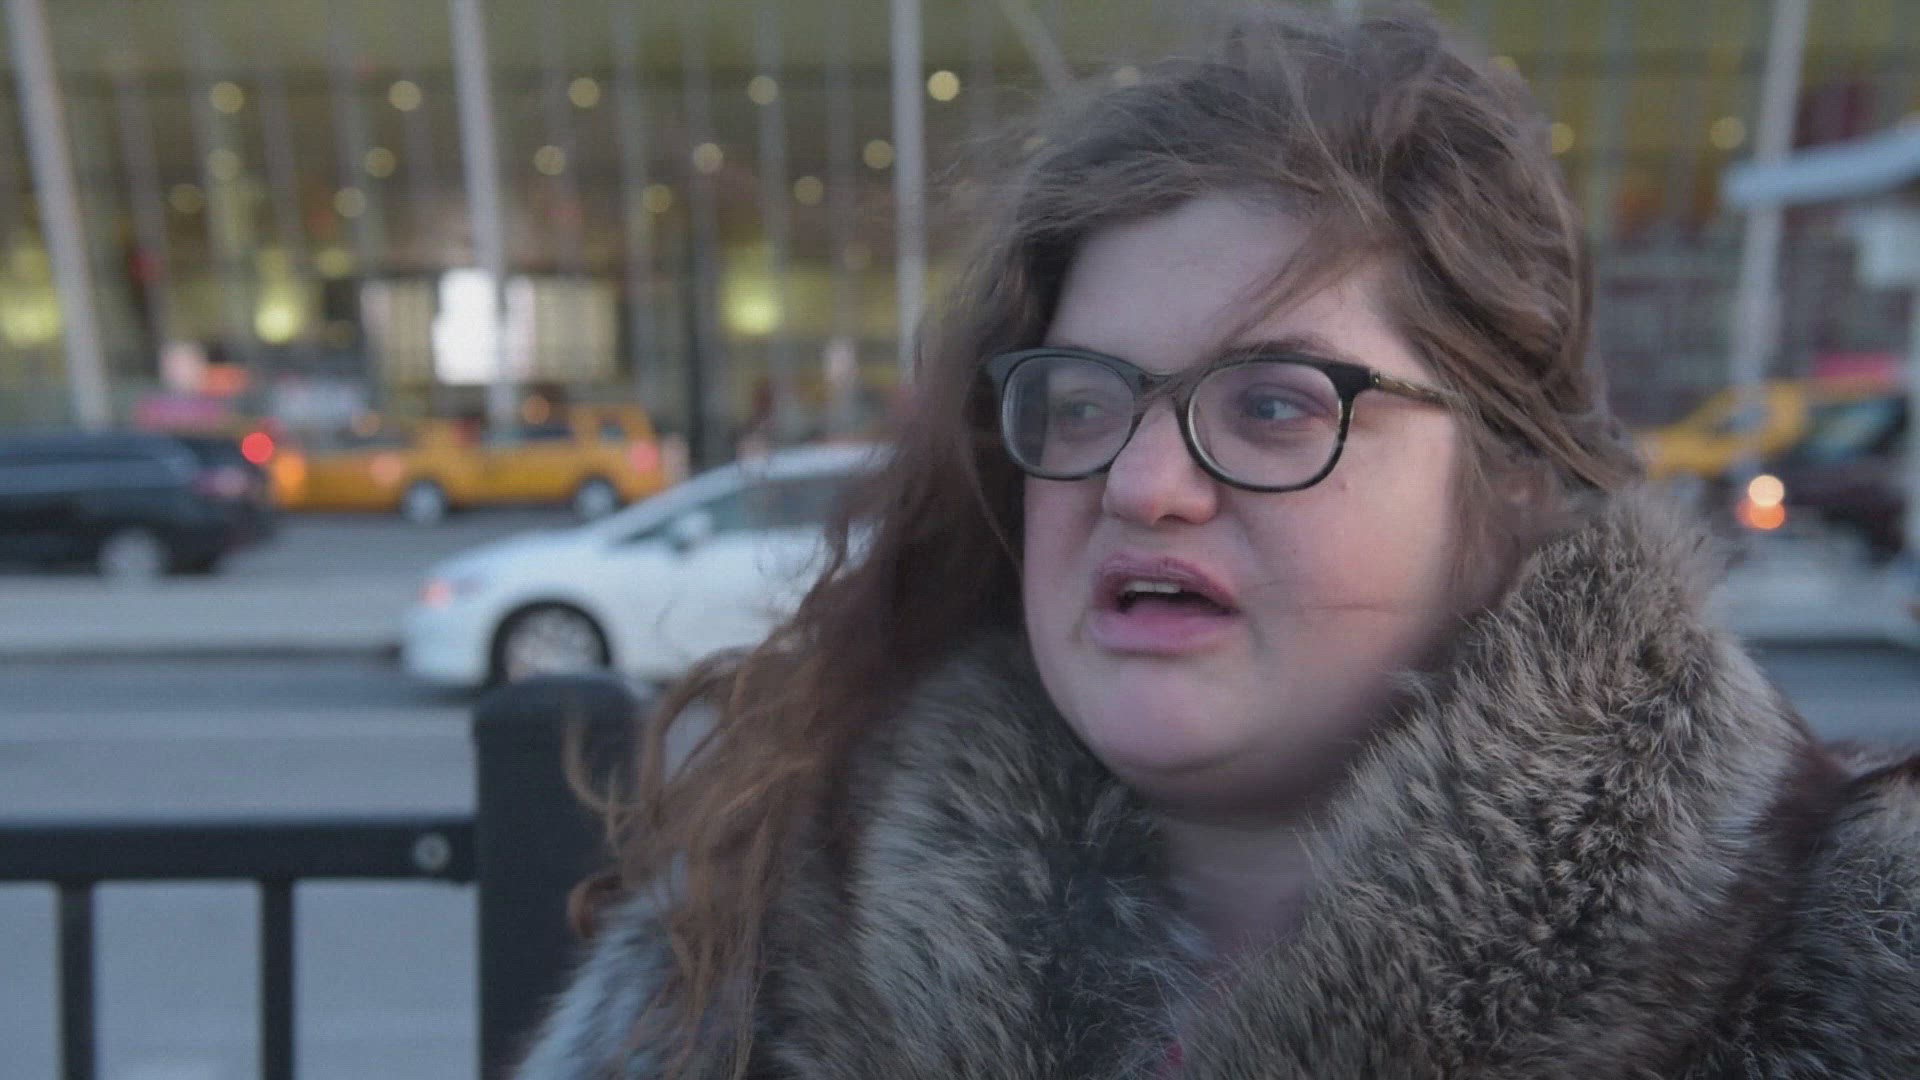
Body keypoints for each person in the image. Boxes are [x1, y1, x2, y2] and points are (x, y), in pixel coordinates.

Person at [515, 6, 1920, 1078]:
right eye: (1083, 401)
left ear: (1508, 487)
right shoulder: (744, 949)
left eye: (1272, 404)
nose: (1141, 484)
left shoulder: (1861, 957)